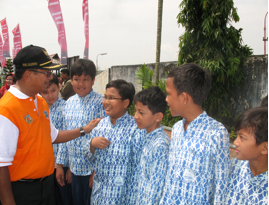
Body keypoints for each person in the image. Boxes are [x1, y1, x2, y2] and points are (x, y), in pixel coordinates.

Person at [0, 45, 101, 205]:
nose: (50, 77)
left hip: (46, 187)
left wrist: (84, 130)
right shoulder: (7, 109)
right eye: (46, 73)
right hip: (24, 191)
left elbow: (53, 136)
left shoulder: (39, 101)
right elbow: (1, 165)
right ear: (29, 75)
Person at [159, 63, 231, 204]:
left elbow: (221, 187)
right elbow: (170, 177)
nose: (166, 99)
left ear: (184, 98)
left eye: (168, 94)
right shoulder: (177, 128)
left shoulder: (216, 133)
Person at [84, 79, 145, 205]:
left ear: (125, 102)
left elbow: (139, 167)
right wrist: (92, 144)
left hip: (123, 196)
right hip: (99, 195)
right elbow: (89, 157)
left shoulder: (135, 129)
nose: (106, 102)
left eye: (111, 98)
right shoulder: (100, 125)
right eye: (105, 97)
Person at [56, 59, 106, 205]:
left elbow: (104, 138)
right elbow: (65, 135)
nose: (80, 83)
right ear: (71, 81)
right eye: (76, 79)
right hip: (74, 170)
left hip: (92, 171)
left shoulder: (101, 103)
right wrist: (61, 165)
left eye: (85, 79)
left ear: (93, 81)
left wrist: (97, 172)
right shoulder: (69, 103)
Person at [133, 86, 170, 205]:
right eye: (136, 110)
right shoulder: (145, 134)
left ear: (158, 117)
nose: (135, 116)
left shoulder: (160, 145)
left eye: (141, 112)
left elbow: (156, 188)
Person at [40, 74, 73, 205]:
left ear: (59, 87)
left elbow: (69, 138)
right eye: (45, 92)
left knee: (64, 198)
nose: (50, 95)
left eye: (53, 90)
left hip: (63, 165)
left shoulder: (66, 107)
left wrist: (69, 166)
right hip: (45, 164)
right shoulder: (39, 107)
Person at [225, 107, 268, 204]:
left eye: (242, 137)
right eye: (237, 136)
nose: (235, 142)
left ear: (265, 148)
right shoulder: (235, 166)